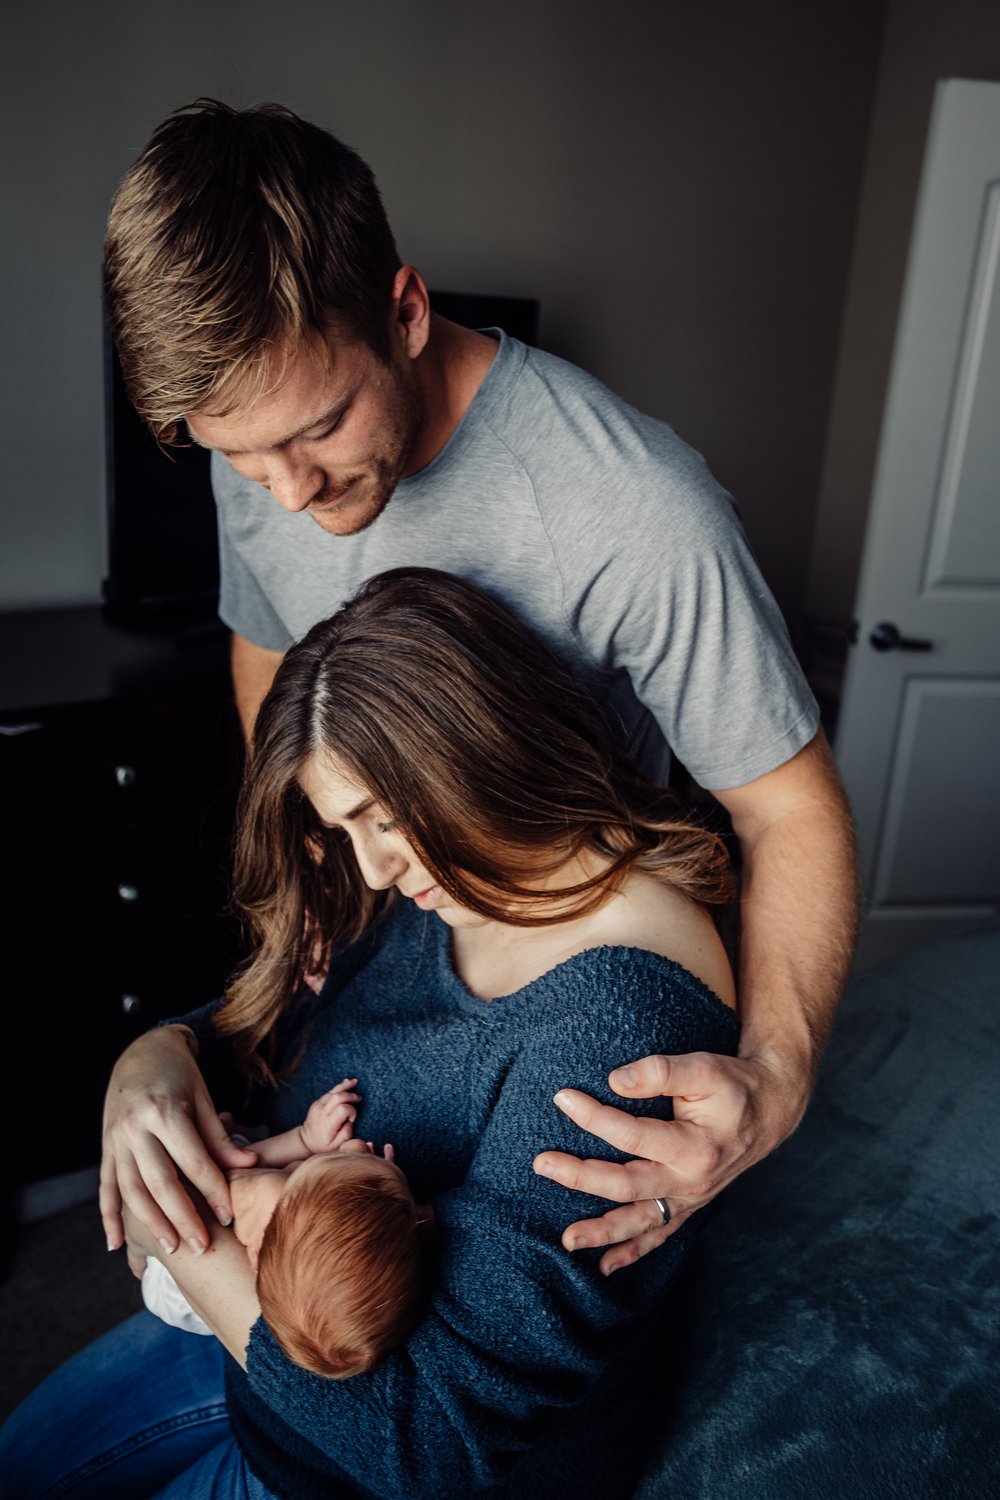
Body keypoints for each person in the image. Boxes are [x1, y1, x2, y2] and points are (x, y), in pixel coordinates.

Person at [102, 98, 858, 1272]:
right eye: (237, 456)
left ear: (404, 311)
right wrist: (309, 870)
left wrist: (776, 1078)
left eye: (319, 430)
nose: (287, 493)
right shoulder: (263, 457)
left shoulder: (637, 511)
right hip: (387, 983)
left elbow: (788, 806)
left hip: (551, 996)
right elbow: (267, 661)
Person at [2, 568, 740, 1498]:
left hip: (338, 1460)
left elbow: (428, 1442)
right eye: (347, 828)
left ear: (477, 748)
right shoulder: (470, 873)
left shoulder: (618, 1029)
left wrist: (188, 1238)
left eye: (383, 819)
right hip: (250, 1340)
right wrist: (157, 1054)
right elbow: (281, 1026)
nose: (377, 868)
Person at [140, 1080, 428, 1382]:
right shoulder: (276, 1206)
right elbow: (203, 1180)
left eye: (337, 1156)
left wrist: (304, 1140)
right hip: (206, 1255)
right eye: (368, 1157)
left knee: (223, 1146)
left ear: (257, 1257)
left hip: (172, 1286)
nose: (356, 1144)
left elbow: (215, 1173)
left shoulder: (266, 1193)